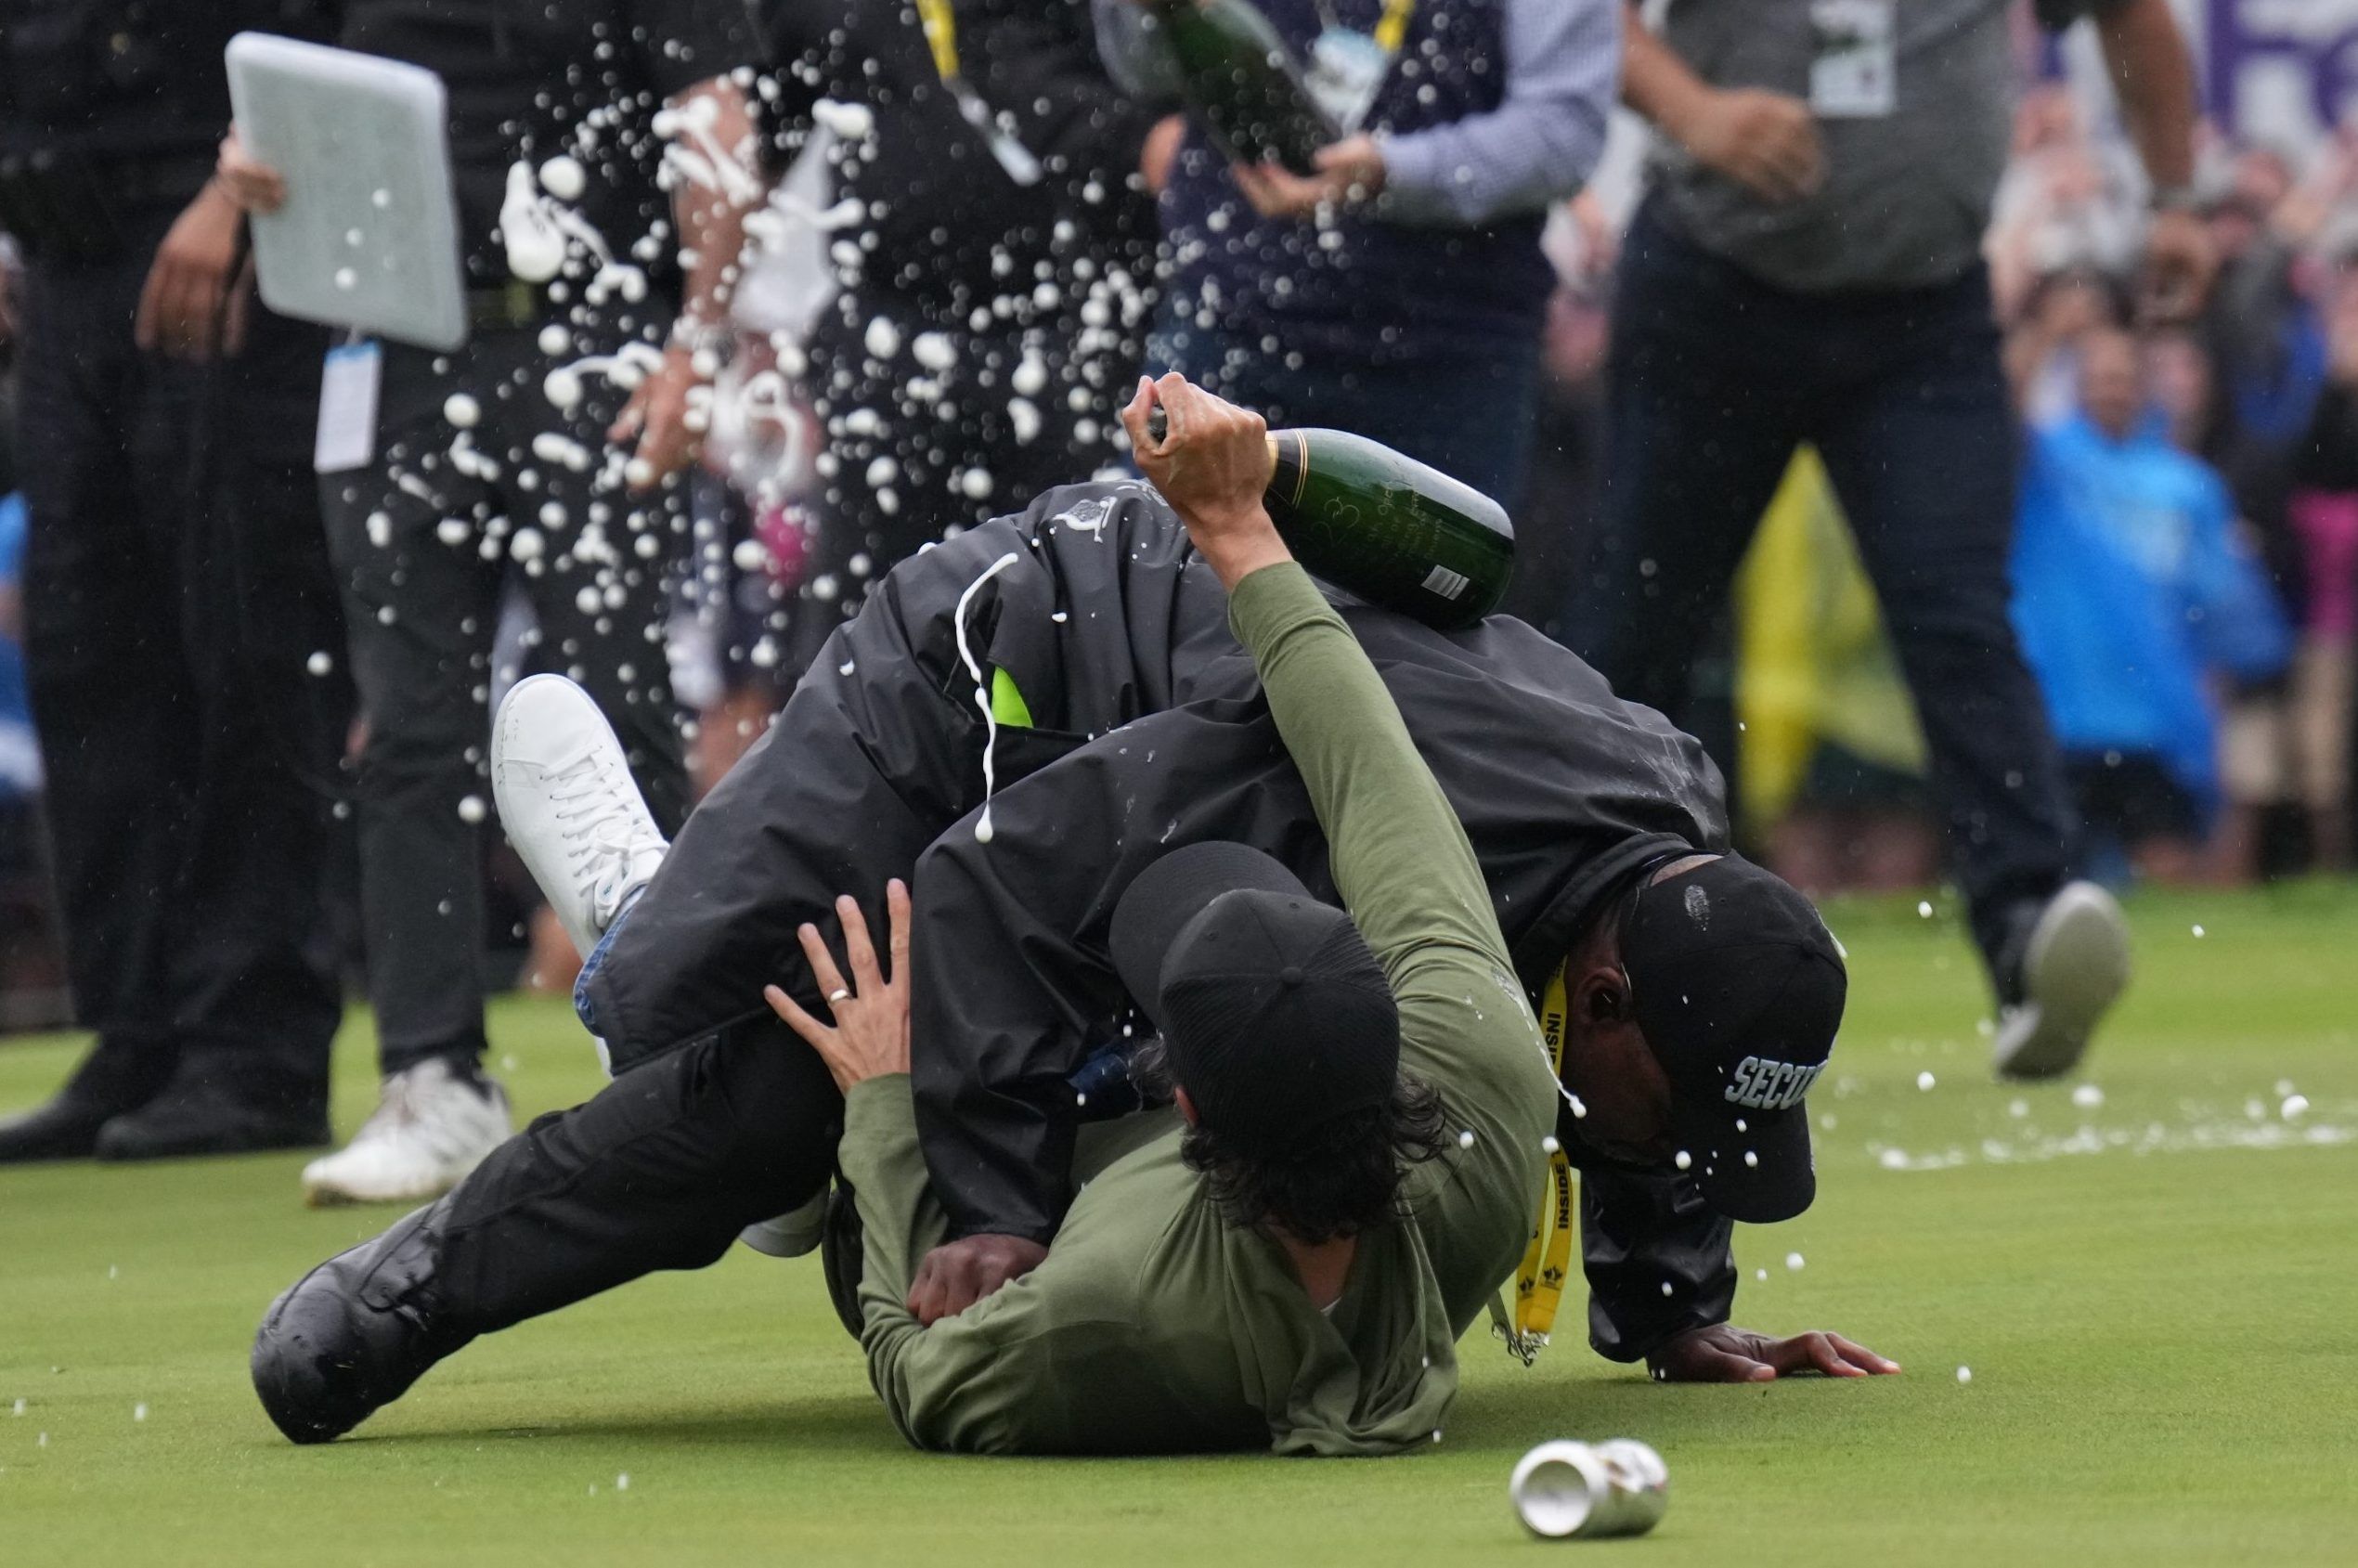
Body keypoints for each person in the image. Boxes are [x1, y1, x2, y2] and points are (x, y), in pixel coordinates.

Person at [248, 373, 1892, 1448]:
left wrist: (1681, 1303)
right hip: (1017, 670)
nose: (1685, 1158)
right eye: (1681, 1129)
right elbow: (1001, 877)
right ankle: (616, 959)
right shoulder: (1365, 809)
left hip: (1181, 844)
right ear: (1593, 994)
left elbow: (1685, 1030)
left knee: (919, 1073)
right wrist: (983, 1203)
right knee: (728, 1057)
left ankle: (766, 1053)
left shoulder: (1670, 841)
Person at [1571, 0, 2214, 1081]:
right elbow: (1585, 19)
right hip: (1712, 285)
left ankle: (2026, 930)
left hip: (1923, 308)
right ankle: (1553, 917)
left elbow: (2129, 13)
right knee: (1635, 622)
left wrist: (2176, 198)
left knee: (1958, 615)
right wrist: (1695, 111)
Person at [209, 0, 765, 1205]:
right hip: (394, 345)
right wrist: (247, 174)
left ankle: (674, 1062)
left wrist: (696, 345)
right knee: (405, 726)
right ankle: (431, 1075)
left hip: (598, 339)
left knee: (615, 709)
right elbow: (294, 100)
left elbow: (712, 117)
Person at [0, 1, 352, 1163]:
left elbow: (329, 31)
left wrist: (232, 201)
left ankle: (255, 1045)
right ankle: (138, 1025)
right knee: (88, 643)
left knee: (245, 631)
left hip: (230, 208)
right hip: (61, 235)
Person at [759, 0, 1163, 676]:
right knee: (863, 635)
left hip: (1082, 338)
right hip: (889, 336)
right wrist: (713, 334)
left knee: (1070, 631)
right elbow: (758, 134)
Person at [1095, 0, 1617, 504]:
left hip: (1444, 367)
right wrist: (1150, 10)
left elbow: (1564, 133)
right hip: (1226, 332)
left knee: (1411, 596)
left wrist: (1392, 171)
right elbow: (1144, 71)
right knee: (1159, 582)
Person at [2013, 328, 2290, 881]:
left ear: (2145, 387)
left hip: (2156, 718)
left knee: (2171, 873)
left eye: (2122, 378)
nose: (2110, 391)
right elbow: (1998, 409)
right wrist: (2047, 335)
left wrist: (2226, 673)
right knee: (2055, 881)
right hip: (2060, 715)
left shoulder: (2188, 487)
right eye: (2096, 378)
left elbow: (2223, 600)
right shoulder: (2047, 467)